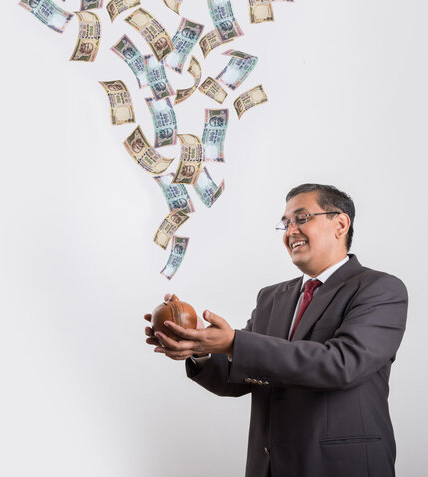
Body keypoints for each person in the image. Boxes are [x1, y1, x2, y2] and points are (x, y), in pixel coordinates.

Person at [144, 183, 408, 477]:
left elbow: (341, 364)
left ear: (340, 224)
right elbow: (241, 376)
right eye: (285, 223)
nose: (290, 231)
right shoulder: (271, 298)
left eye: (301, 218)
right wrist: (199, 346)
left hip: (340, 467)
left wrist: (233, 343)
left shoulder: (379, 289)